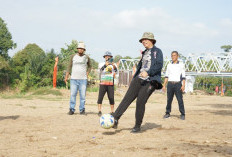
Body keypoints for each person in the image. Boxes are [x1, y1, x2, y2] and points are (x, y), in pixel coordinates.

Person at [112, 32, 163, 133]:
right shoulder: (144, 52)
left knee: (140, 101)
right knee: (127, 98)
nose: (143, 41)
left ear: (151, 40)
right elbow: (141, 66)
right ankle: (115, 118)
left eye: (146, 39)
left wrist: (148, 72)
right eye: (142, 40)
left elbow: (159, 66)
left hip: (150, 81)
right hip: (138, 79)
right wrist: (135, 77)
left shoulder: (157, 51)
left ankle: (137, 126)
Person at [64, 41, 91, 115]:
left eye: (82, 48)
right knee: (73, 94)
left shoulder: (86, 57)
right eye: (79, 48)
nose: (80, 50)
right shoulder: (73, 56)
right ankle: (71, 109)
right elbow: (69, 66)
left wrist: (87, 72)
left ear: (84, 50)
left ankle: (82, 110)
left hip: (83, 79)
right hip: (73, 79)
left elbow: (90, 66)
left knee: (82, 95)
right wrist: (66, 76)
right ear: (77, 49)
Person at [162, 51, 186, 120]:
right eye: (172, 55)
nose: (173, 57)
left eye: (174, 55)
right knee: (169, 100)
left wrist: (183, 85)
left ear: (177, 56)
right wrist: (164, 85)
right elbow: (166, 76)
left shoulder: (181, 65)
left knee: (180, 99)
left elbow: (183, 76)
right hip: (170, 84)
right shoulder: (169, 65)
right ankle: (167, 113)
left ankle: (182, 114)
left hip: (178, 84)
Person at [97, 51, 118, 116]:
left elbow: (116, 73)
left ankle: (112, 111)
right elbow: (99, 71)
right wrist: (104, 65)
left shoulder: (114, 65)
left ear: (111, 57)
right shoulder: (101, 64)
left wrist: (114, 66)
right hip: (103, 83)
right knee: (100, 97)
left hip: (110, 83)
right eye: (106, 56)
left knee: (111, 98)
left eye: (109, 56)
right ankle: (99, 111)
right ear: (104, 57)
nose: (107, 57)